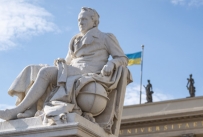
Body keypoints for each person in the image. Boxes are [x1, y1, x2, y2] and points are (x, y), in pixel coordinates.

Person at [0, 7, 128, 121]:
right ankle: (31, 109)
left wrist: (112, 64)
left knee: (45, 72)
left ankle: (16, 111)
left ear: (94, 22)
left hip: (87, 72)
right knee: (33, 68)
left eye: (84, 19)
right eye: (79, 20)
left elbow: (122, 58)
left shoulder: (106, 37)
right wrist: (60, 61)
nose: (80, 22)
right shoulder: (75, 39)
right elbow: (68, 60)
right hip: (71, 69)